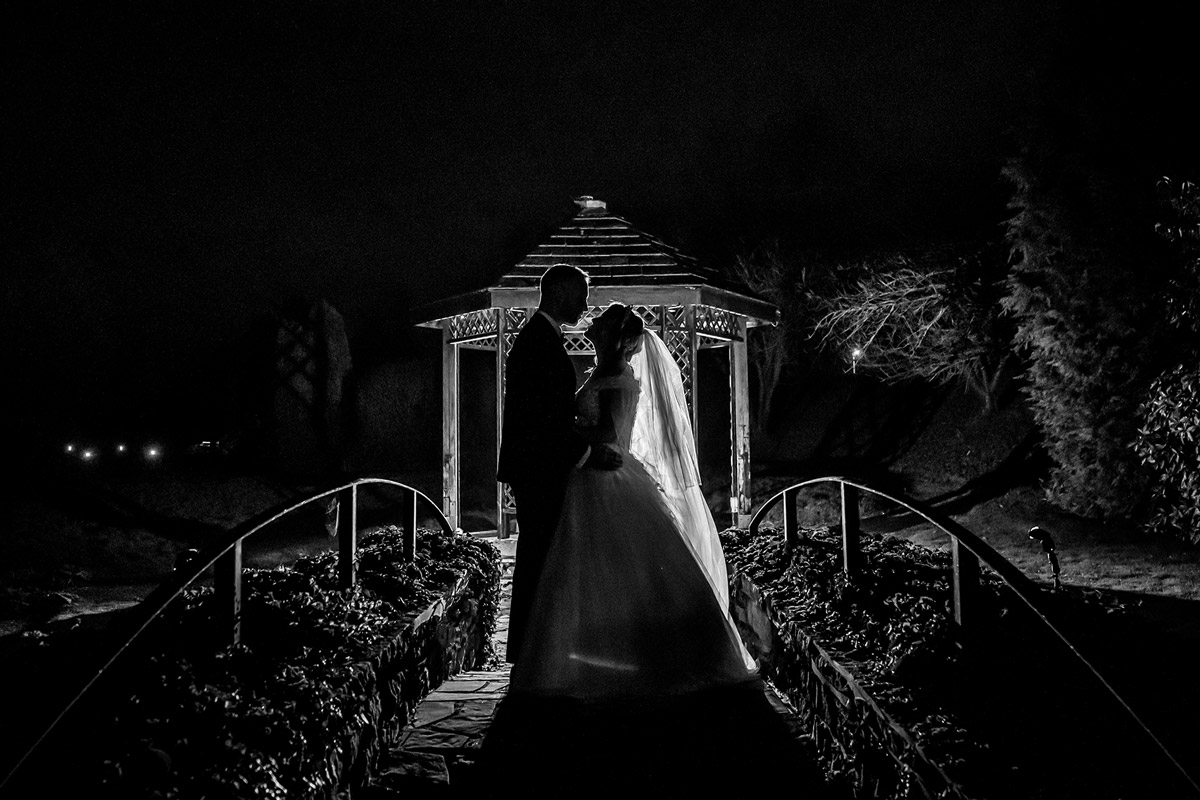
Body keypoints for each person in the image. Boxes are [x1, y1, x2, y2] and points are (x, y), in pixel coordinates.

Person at [508, 303, 759, 699]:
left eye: (602, 321)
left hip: (605, 473)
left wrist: (571, 441)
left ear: (615, 336)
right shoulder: (605, 373)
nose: (591, 321)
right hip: (591, 474)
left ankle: (629, 657)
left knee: (615, 570)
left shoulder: (617, 377)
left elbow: (609, 431)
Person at [497, 264, 621, 664]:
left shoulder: (541, 339)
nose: (586, 305)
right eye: (581, 295)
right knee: (538, 555)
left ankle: (534, 646)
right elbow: (543, 421)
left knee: (541, 555)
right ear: (561, 294)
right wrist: (587, 453)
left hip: (540, 465)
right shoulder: (538, 343)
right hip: (539, 469)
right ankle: (532, 649)